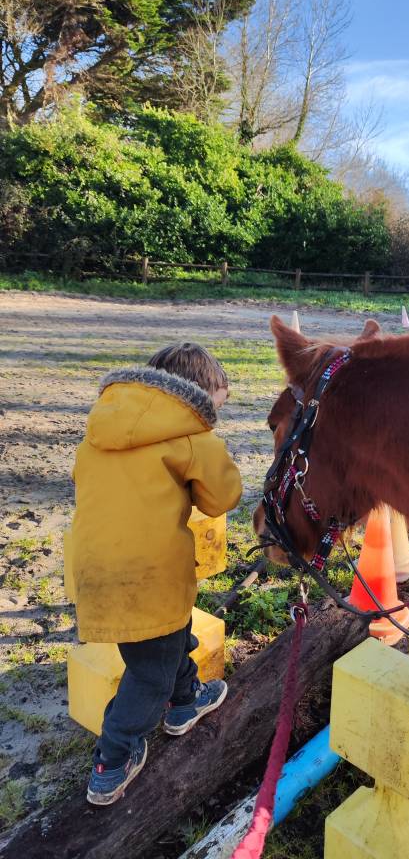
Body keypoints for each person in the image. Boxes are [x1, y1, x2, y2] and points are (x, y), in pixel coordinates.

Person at [70, 342, 243, 806]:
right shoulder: (191, 435)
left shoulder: (102, 427)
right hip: (149, 575)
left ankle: (185, 700)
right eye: (216, 407)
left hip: (95, 571)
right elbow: (222, 498)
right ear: (199, 395)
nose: (214, 418)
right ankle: (112, 759)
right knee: (150, 675)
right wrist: (211, 447)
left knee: (164, 639)